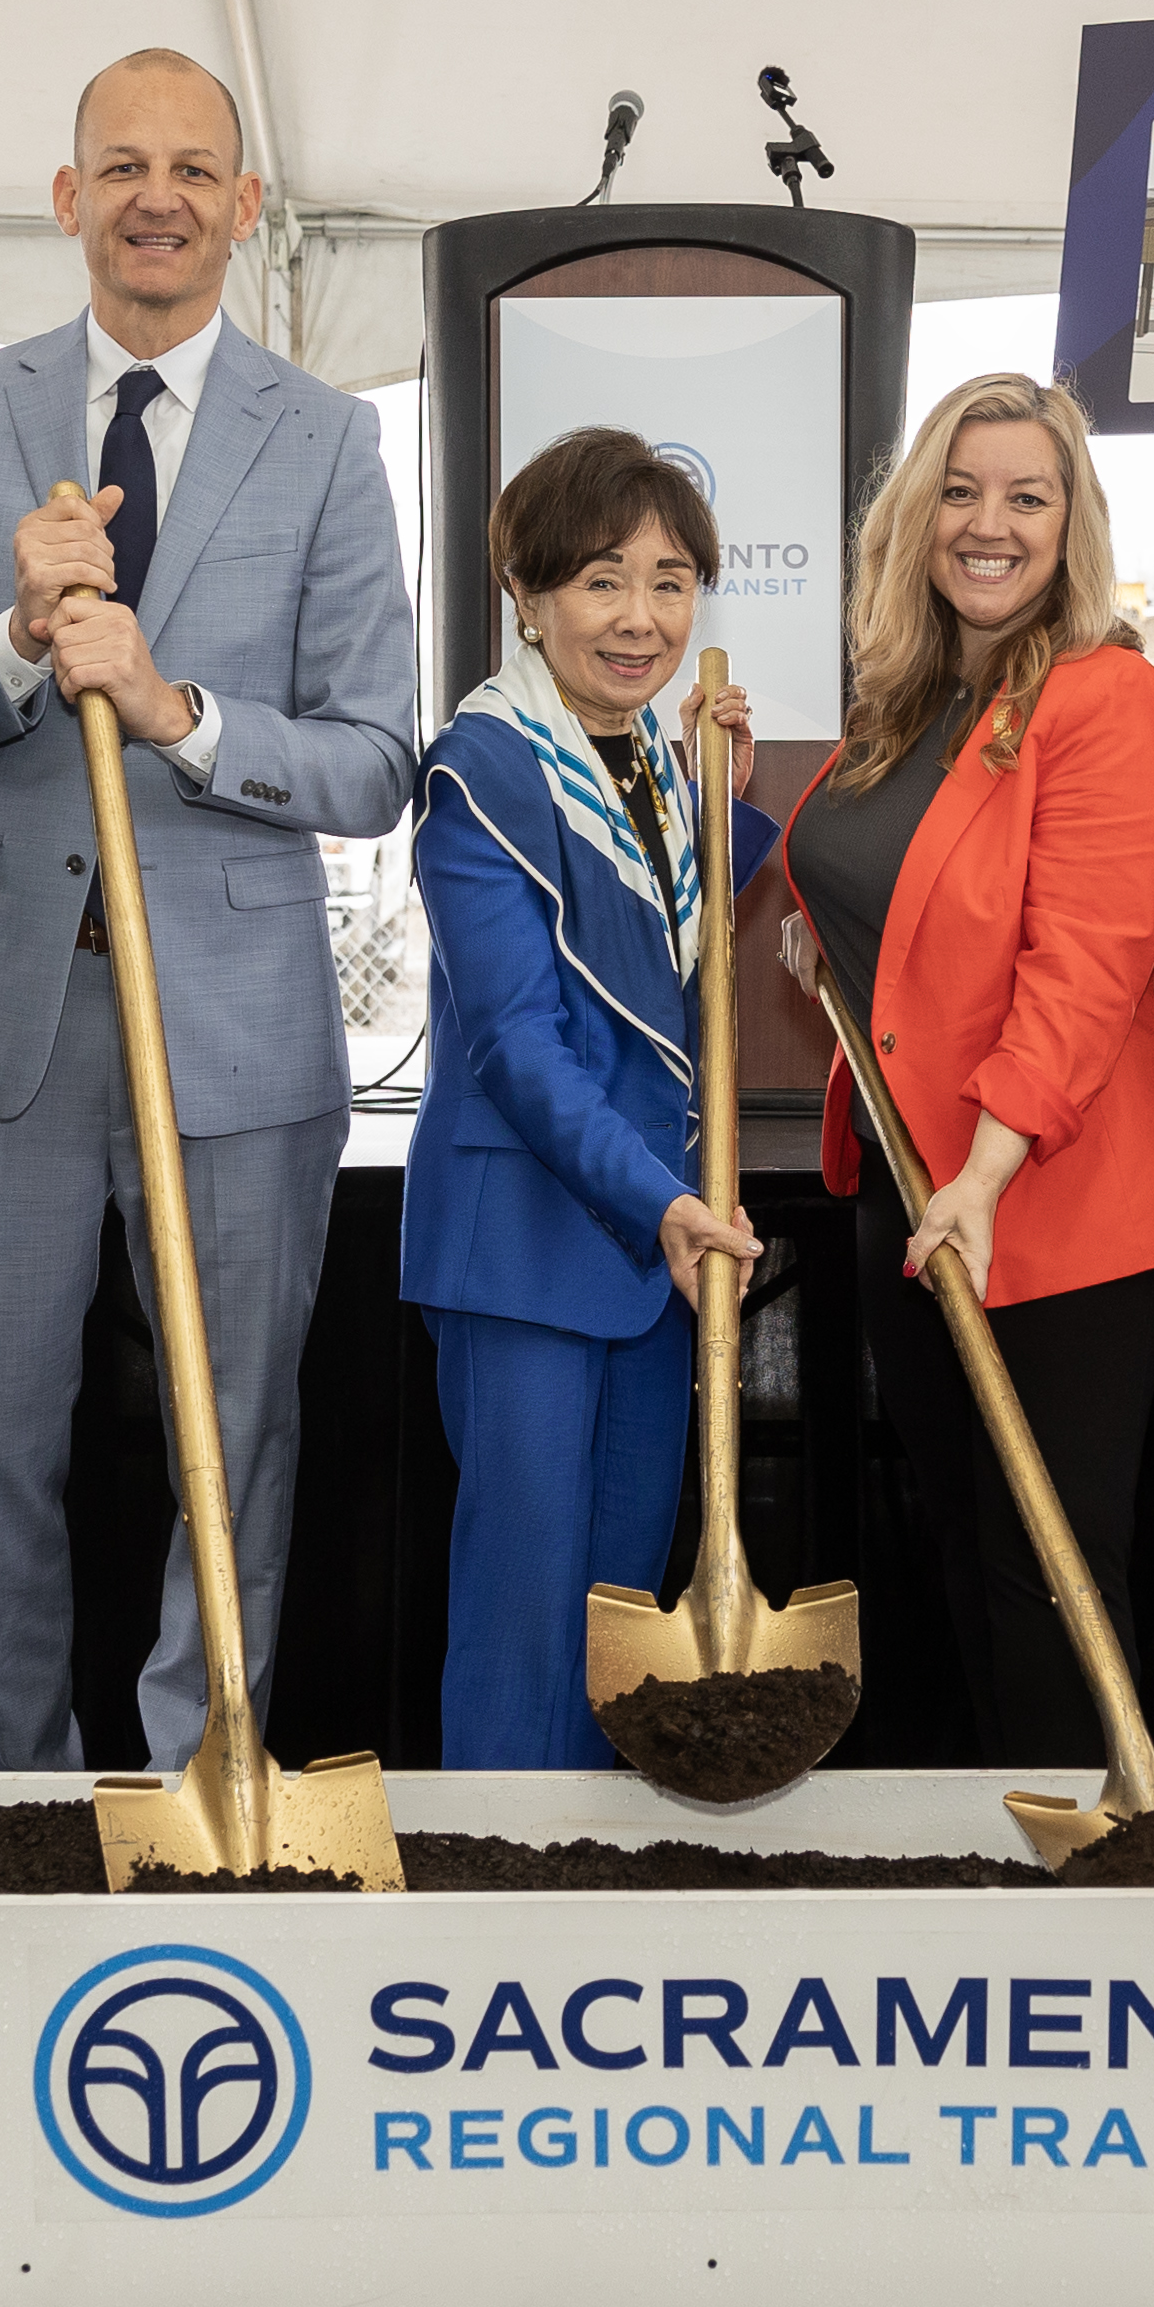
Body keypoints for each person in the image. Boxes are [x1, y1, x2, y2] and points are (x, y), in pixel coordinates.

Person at [0, 51, 422, 1769]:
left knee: (229, 1443)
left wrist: (177, 717)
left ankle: (207, 1785)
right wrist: (12, 646)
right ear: (68, 198)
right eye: (121, 166)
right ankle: (7, 1804)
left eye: (191, 170)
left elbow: (375, 759)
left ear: (245, 208)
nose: (156, 198)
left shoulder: (326, 439)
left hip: (238, 1035)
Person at [777, 374, 1154, 1769]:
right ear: (914, 518)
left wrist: (984, 1174)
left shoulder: (1108, 698)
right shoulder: (911, 698)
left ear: (1072, 525)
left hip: (1050, 1199)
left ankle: (1102, 1857)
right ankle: (1011, 1844)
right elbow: (904, 896)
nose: (989, 524)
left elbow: (1086, 968)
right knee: (961, 1545)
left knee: (1048, 1570)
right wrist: (832, 936)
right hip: (914, 1193)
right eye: (959, 493)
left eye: (1027, 497)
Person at [402, 429, 774, 1765]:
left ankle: (588, 1870)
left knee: (620, 1617)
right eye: (602, 581)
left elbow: (657, 975)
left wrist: (721, 809)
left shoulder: (653, 769)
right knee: (523, 1615)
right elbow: (518, 1043)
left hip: (650, 1254)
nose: (640, 619)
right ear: (528, 593)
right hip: (529, 1247)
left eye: (670, 584)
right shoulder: (483, 768)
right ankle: (499, 1868)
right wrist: (663, 1202)